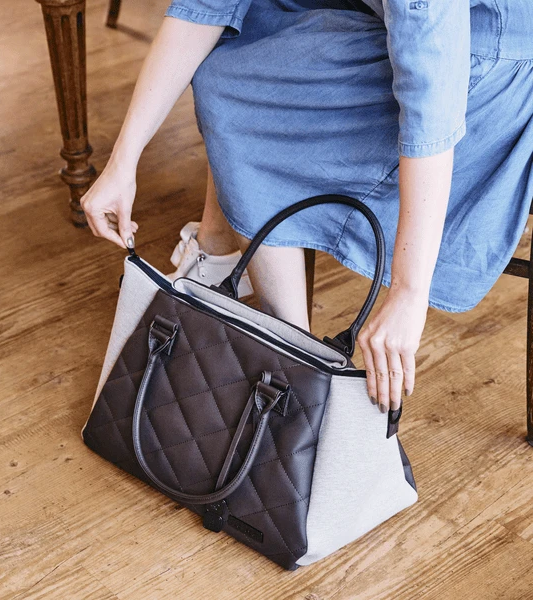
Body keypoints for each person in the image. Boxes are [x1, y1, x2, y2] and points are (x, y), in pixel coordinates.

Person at [80, 0, 533, 416]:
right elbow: (206, 7)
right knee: (245, 32)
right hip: (386, 24)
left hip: (482, 63)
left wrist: (408, 293)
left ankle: (292, 365)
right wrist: (123, 162)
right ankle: (290, 351)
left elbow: (432, 107)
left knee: (236, 87)